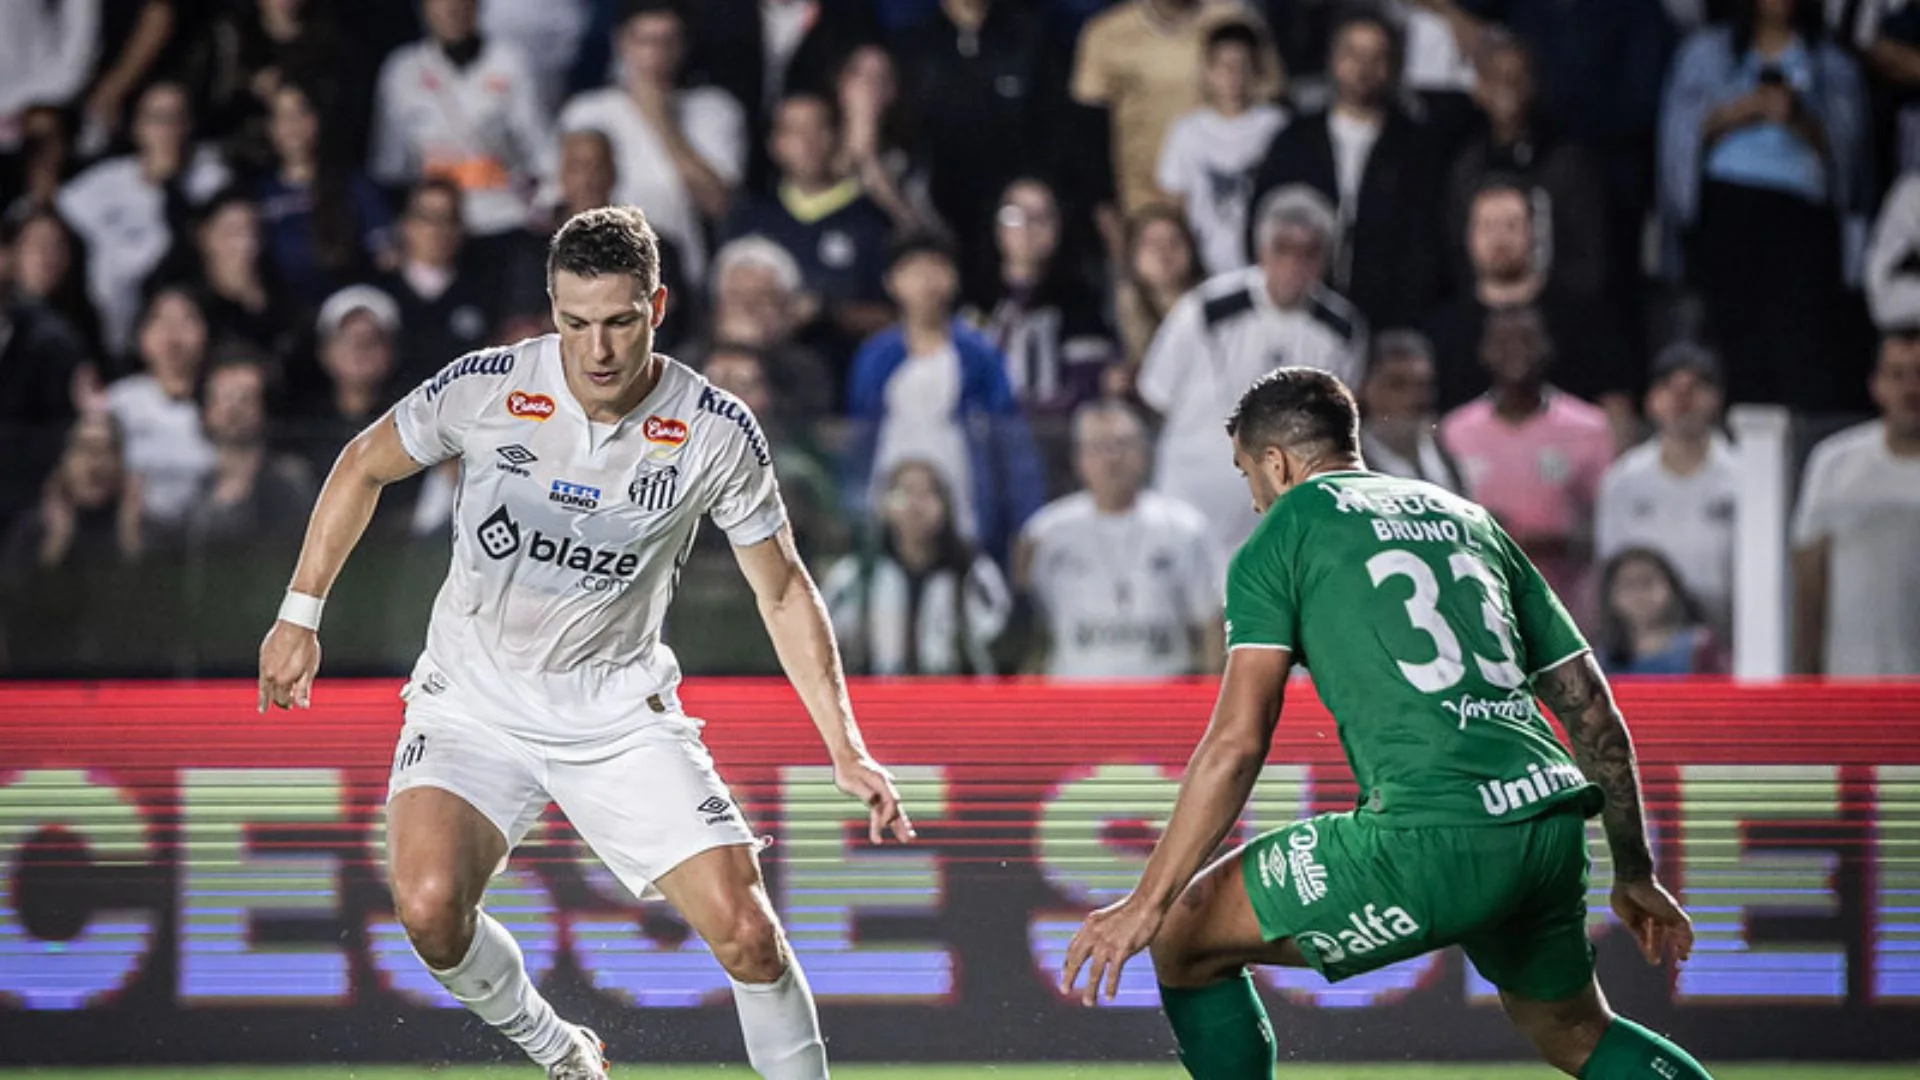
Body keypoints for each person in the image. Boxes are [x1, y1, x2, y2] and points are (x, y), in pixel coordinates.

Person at [256, 206, 913, 1080]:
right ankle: (560, 1050)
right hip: (473, 704)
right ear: (551, 312)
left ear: (657, 308)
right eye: (574, 323)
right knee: (429, 911)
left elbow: (784, 587)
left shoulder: (713, 428)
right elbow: (363, 464)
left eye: (618, 322)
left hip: (618, 715)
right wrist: (300, 614)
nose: (596, 350)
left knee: (751, 936)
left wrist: (846, 745)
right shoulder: (487, 387)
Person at [1059, 366, 1714, 1080]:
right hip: (1547, 825)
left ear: (1276, 464)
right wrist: (1634, 868)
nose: (1252, 499)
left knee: (1184, 933)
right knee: (1579, 1035)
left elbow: (1238, 743)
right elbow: (1592, 709)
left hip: (1429, 836)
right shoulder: (1466, 519)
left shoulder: (1284, 533)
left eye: (1247, 474)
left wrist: (1146, 902)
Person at [1138, 185, 1363, 561]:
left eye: (1309, 253)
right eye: (1283, 249)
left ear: (1326, 259)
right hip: (1187, 504)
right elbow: (1154, 397)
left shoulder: (1341, 332)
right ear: (1262, 251)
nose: (1294, 264)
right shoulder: (1207, 309)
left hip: (1276, 529)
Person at [845, 233, 1045, 566]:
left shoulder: (979, 355)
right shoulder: (876, 356)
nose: (927, 281)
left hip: (963, 492)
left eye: (937, 268)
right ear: (893, 282)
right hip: (889, 489)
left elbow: (1011, 441)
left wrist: (1026, 520)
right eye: (915, 271)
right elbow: (859, 439)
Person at [1244, 8, 1439, 330]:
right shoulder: (1294, 141)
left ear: (1393, 65)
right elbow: (1262, 221)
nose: (1364, 67)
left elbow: (1425, 246)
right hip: (1301, 318)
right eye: (1353, 54)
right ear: (1333, 59)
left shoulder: (1414, 149)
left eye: (1376, 56)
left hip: (1387, 321)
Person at [1012, 400, 1222, 679]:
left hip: (1164, 690)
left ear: (1144, 452)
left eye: (1123, 444)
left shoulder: (1185, 527)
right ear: (1079, 459)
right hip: (1074, 693)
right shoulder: (1045, 533)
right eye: (1098, 447)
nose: (1112, 457)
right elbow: (1030, 634)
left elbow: (1210, 623)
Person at [1440, 306, 1614, 628]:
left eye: (1526, 340)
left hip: (1568, 612)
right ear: (1484, 351)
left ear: (1547, 347)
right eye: (1503, 341)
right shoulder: (1455, 431)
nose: (1515, 350)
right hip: (1483, 611)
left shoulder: (1590, 427)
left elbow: (1608, 525)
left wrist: (1558, 542)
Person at [558, 0, 747, 282]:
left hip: (679, 273)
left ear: (684, 46)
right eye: (645, 41)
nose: (656, 54)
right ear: (623, 43)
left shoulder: (714, 109)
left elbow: (717, 203)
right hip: (597, 268)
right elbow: (566, 194)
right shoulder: (587, 111)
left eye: (667, 41)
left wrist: (660, 119)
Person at [1791, 329, 1920, 676]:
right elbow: (1809, 577)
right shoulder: (1834, 464)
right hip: (1852, 681)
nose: (1911, 389)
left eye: (1919, 374)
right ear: (1877, 385)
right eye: (1898, 375)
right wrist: (1805, 676)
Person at [369, 0, 553, 243]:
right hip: (433, 229)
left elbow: (542, 151)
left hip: (504, 217)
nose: (451, 8)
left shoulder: (510, 62)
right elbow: (390, 168)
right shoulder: (401, 70)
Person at [1595, 343, 1738, 636]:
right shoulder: (1623, 479)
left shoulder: (1743, 476)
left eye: (1694, 389)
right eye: (1670, 388)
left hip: (1729, 634)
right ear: (1651, 400)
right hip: (1646, 639)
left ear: (1716, 399)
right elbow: (1610, 568)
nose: (1682, 401)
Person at [820, 457, 1011, 676]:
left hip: (952, 689)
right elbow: (824, 638)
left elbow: (998, 639)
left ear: (946, 506)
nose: (916, 504)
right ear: (884, 505)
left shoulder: (972, 572)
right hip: (874, 689)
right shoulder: (856, 574)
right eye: (905, 491)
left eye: (928, 493)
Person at [1156, 21, 1289, 277]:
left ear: (1258, 70)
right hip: (1205, 268)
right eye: (1224, 66)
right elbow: (1174, 203)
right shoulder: (1186, 130)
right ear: (1207, 71)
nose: (1233, 76)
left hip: (1264, 268)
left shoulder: (1277, 126)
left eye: (1243, 66)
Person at [1357, 329, 1466, 494]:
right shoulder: (1347, 467)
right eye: (1398, 385)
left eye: (1423, 385)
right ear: (1365, 389)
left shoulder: (1445, 454)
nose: (1416, 398)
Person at [1597, 547, 1727, 676]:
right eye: (1628, 585)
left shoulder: (1700, 647)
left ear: (1672, 588)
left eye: (1647, 582)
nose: (1639, 594)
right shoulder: (1602, 657)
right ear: (1610, 597)